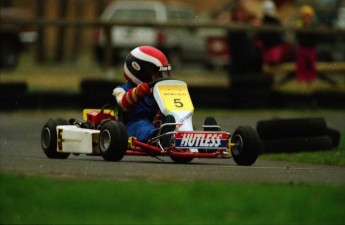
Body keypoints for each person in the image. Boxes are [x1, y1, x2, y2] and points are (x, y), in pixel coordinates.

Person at [113, 46, 172, 142]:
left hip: (156, 124)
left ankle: (184, 135)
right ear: (139, 71)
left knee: (172, 120)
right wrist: (137, 92)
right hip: (130, 126)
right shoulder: (120, 90)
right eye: (155, 74)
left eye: (160, 74)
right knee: (142, 125)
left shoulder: (156, 92)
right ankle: (158, 137)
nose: (159, 78)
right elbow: (124, 104)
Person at [227, 1, 263, 77]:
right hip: (238, 58)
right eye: (239, 12)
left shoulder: (249, 23)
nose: (241, 14)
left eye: (243, 12)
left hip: (249, 58)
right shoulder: (233, 26)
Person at [294, 5, 317, 83]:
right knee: (301, 65)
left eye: (308, 16)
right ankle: (301, 79)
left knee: (311, 65)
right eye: (305, 16)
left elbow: (315, 37)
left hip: (310, 48)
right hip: (302, 48)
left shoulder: (313, 26)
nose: (306, 18)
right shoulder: (299, 25)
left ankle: (311, 79)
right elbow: (297, 35)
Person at [258, 0, 284, 65]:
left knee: (273, 62)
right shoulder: (264, 21)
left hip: (273, 46)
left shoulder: (275, 21)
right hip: (267, 46)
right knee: (268, 63)